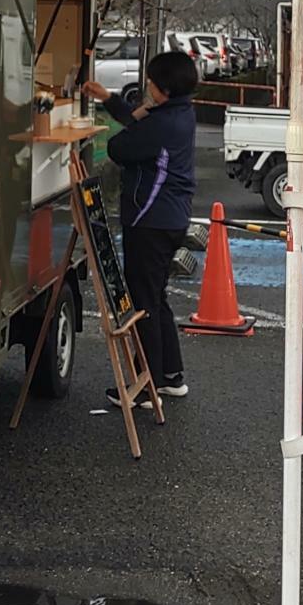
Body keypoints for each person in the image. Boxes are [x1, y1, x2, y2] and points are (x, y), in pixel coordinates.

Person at [82, 48, 199, 401]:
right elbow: (138, 122)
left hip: (150, 221)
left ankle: (144, 386)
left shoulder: (163, 123)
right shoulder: (181, 112)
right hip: (170, 217)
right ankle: (170, 375)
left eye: (151, 81)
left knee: (143, 303)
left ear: (163, 88)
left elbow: (119, 147)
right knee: (156, 298)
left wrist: (138, 112)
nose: (147, 85)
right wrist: (108, 99)